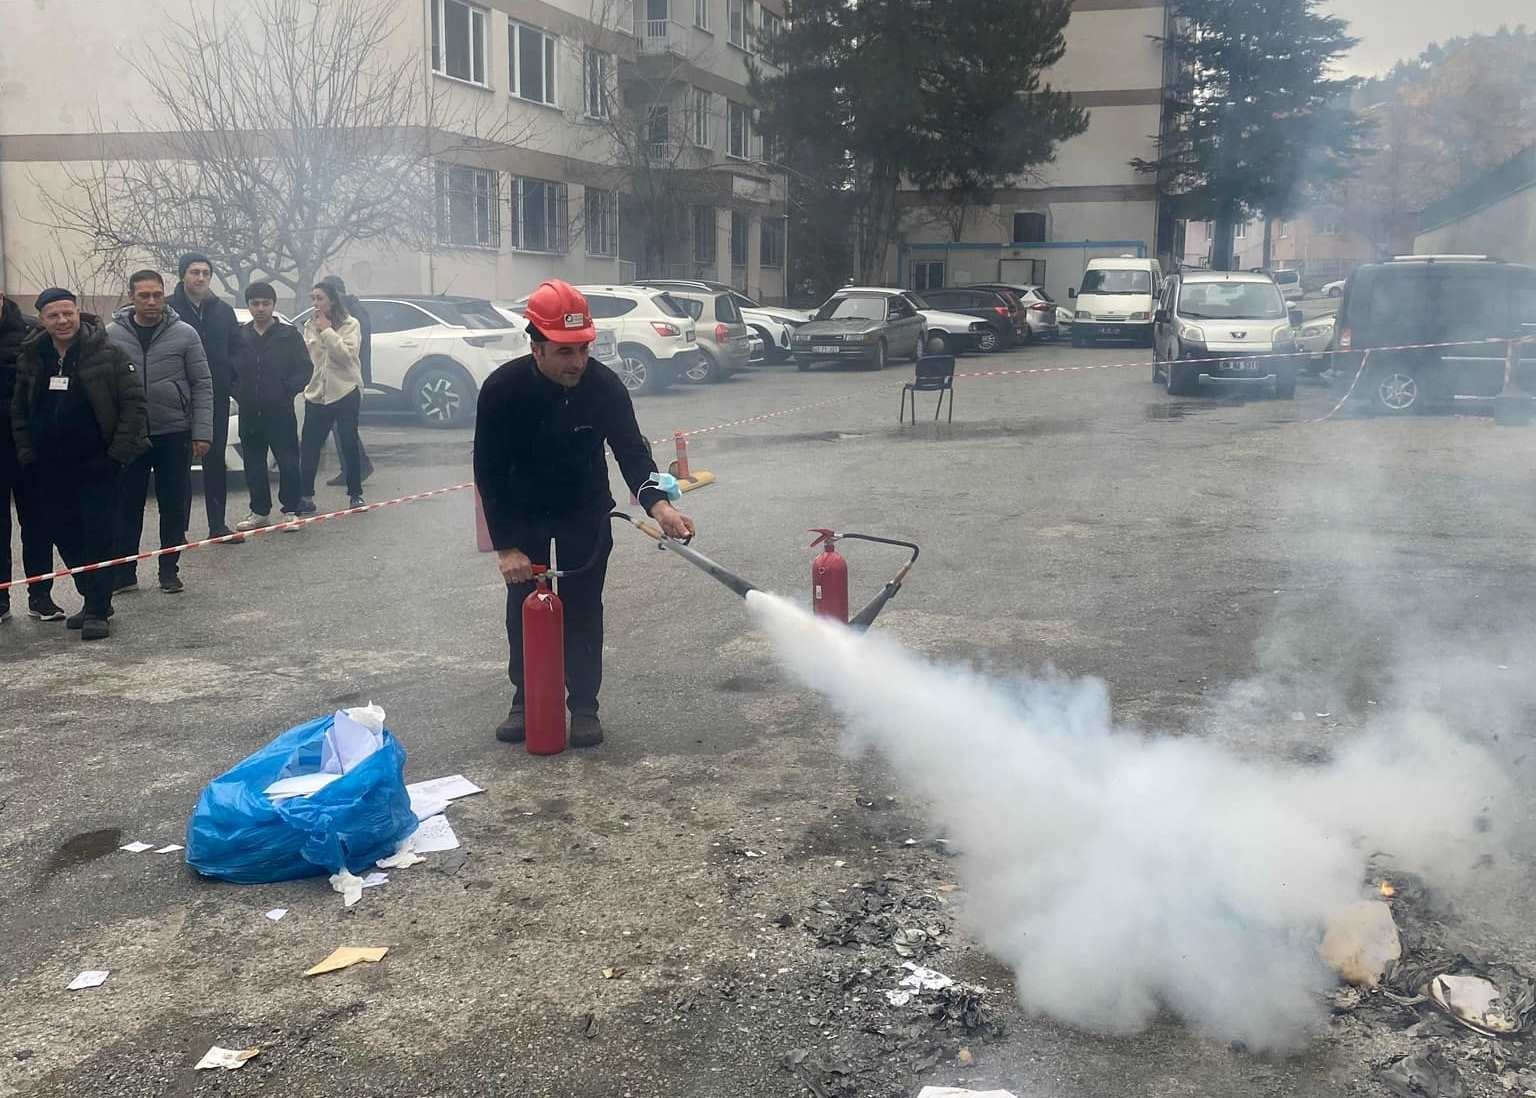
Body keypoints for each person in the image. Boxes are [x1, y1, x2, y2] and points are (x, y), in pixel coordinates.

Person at [473, 280, 695, 749]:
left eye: (583, 349)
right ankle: (526, 697)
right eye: (564, 351)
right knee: (524, 607)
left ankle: (585, 705)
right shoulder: (501, 390)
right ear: (536, 348)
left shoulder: (604, 386)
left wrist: (661, 506)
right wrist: (507, 545)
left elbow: (632, 452)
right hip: (524, 511)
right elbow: (488, 472)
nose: (577, 362)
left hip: (583, 509)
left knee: (583, 607)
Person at [10, 289, 148, 640]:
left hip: (98, 464)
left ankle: (98, 610)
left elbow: (134, 406)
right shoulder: (32, 355)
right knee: (64, 534)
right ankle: (93, 596)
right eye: (53, 315)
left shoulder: (108, 353)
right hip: (49, 467)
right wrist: (27, 452)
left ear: (78, 313)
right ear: (42, 319)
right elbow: (20, 410)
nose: (62, 321)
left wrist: (117, 455)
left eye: (67, 313)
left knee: (99, 536)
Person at [106, 270, 213, 595]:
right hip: (130, 435)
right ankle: (125, 573)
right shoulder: (112, 335)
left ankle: (169, 570)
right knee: (127, 505)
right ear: (131, 297)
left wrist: (202, 432)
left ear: (164, 295)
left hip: (174, 432)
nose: (151, 302)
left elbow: (202, 384)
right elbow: (102, 387)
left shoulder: (185, 334)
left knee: (173, 504)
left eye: (156, 295)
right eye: (144, 295)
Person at [0, 291, 65, 622]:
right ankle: (0, 600)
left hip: (29, 444)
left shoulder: (31, 332)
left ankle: (41, 595)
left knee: (38, 524)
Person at [168, 253, 242, 539]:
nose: (200, 278)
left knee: (215, 461)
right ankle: (178, 531)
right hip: (180, 399)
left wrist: (230, 380)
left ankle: (217, 525)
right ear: (182, 275)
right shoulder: (168, 309)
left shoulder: (223, 311)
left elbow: (237, 349)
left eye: (205, 273)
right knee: (180, 465)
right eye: (194, 272)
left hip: (216, 397)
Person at [232, 282, 311, 531]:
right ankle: (259, 511)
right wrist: (239, 392)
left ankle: (291, 510)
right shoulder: (240, 336)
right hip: (249, 411)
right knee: (254, 463)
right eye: (255, 303)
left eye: (266, 303)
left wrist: (286, 390)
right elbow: (230, 370)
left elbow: (304, 368)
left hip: (280, 411)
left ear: (273, 305)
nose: (260, 308)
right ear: (249, 305)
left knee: (287, 462)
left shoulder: (289, 335)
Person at [298, 282, 365, 510]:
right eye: (313, 298)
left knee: (348, 442)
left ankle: (355, 493)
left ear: (332, 301)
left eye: (320, 298)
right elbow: (310, 359)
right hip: (317, 393)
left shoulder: (350, 324)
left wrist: (327, 330)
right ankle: (306, 496)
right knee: (310, 445)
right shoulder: (309, 325)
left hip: (345, 390)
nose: (315, 304)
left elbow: (346, 356)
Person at [318, 275, 374, 489]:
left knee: (342, 426)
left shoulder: (350, 314)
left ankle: (356, 468)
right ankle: (355, 468)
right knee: (342, 426)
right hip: (348, 374)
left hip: (346, 376)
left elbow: (349, 348)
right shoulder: (355, 308)